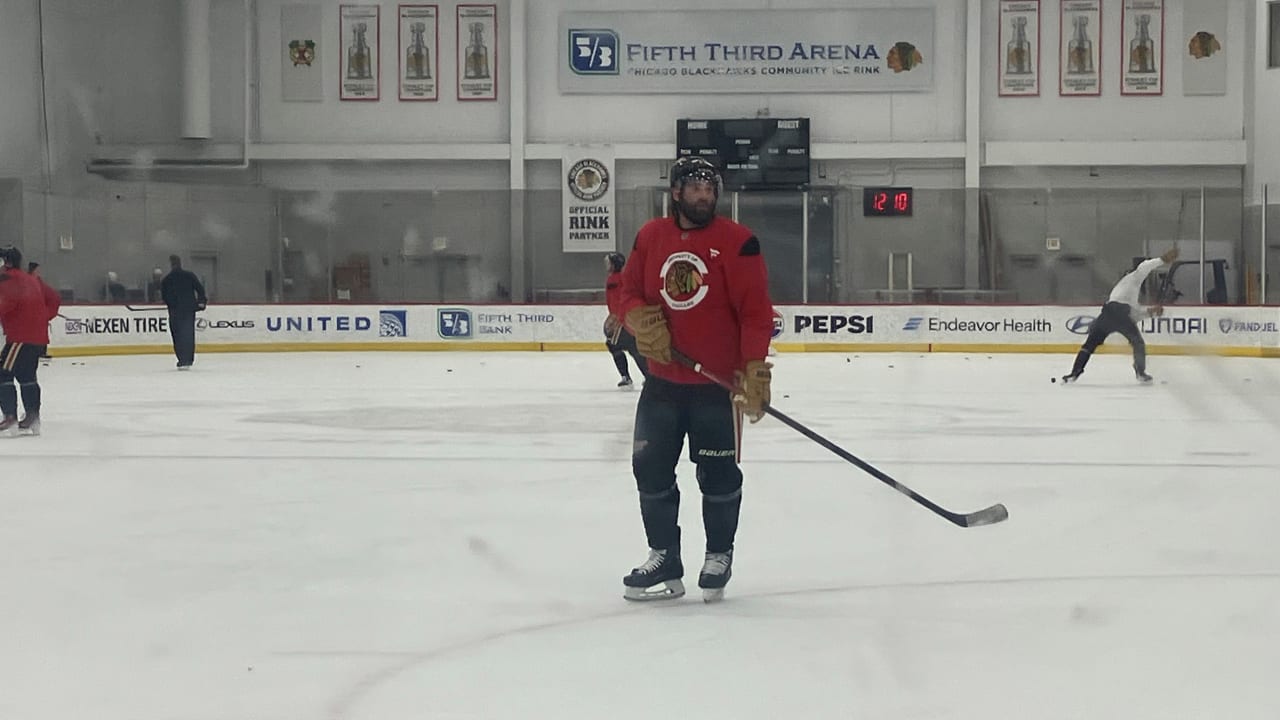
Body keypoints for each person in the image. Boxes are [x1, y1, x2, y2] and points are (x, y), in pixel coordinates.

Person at [615, 156, 775, 603]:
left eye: (710, 188)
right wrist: (636, 319)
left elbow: (756, 313)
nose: (704, 195)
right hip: (663, 384)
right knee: (649, 467)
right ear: (676, 193)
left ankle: (718, 554)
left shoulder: (739, 242)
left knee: (718, 473)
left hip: (716, 388)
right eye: (695, 187)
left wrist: (753, 368)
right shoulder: (651, 237)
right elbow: (627, 291)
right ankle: (664, 555)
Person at [1062, 246, 1180, 384]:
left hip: (1107, 314)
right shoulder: (1133, 278)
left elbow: (1134, 314)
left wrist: (1151, 313)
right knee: (1138, 343)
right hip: (1119, 314)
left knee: (1089, 344)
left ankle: (1074, 373)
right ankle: (1140, 373)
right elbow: (1144, 267)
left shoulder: (1125, 295)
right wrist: (1162, 259)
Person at [0, 245, 60, 435]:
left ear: (6, 262)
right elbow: (55, 298)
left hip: (20, 337)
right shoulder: (31, 279)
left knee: (3, 374)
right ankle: (33, 417)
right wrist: (43, 317)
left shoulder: (9, 279)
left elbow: (6, 304)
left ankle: (10, 416)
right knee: (27, 376)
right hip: (36, 337)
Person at [603, 252, 647, 388]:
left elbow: (619, 300)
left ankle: (629, 377)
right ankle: (646, 377)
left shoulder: (616, 280)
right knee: (631, 348)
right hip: (625, 319)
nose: (607, 265)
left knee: (624, 346)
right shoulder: (621, 278)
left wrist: (617, 317)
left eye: (609, 262)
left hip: (623, 321)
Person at [160, 254, 207, 370]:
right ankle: (187, 359)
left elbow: (164, 297)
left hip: (175, 310)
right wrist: (201, 302)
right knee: (188, 335)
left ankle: (182, 359)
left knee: (177, 335)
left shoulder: (167, 279)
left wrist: (172, 305)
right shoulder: (189, 276)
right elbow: (200, 289)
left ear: (171, 264)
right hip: (188, 310)